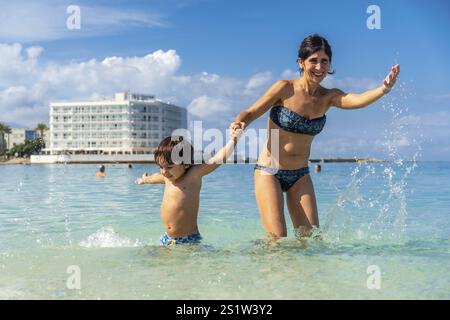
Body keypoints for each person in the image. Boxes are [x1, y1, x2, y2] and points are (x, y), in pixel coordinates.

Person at [230, 34, 400, 238]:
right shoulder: (285, 88)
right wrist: (239, 122)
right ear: (301, 63)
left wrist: (384, 89)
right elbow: (251, 112)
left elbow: (356, 100)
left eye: (324, 61)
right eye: (313, 61)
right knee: (277, 239)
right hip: (269, 171)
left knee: (310, 240)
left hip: (300, 174)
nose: (319, 67)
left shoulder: (328, 97)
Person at [136, 129, 242, 246]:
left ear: (185, 163)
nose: (164, 171)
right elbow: (156, 177)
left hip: (188, 239)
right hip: (168, 238)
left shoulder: (193, 175)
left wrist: (234, 140)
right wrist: (145, 179)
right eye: (161, 167)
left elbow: (218, 158)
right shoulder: (167, 177)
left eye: (169, 167)